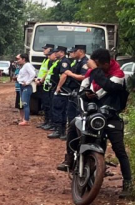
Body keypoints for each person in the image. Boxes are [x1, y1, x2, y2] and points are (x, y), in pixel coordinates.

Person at [58, 48, 131, 194]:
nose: (94, 67)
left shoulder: (118, 74)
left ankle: (128, 183)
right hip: (91, 114)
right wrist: (86, 95)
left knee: (119, 149)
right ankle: (69, 159)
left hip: (110, 116)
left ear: (106, 63)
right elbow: (82, 89)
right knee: (73, 126)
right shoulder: (91, 74)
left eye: (98, 65)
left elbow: (109, 86)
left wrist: (95, 70)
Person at [56, 45, 89, 138]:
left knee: (77, 113)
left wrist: (71, 74)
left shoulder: (85, 62)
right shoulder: (77, 62)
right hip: (73, 91)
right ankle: (71, 133)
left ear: (80, 51)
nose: (72, 53)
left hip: (80, 90)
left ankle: (77, 135)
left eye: (74, 51)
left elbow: (83, 77)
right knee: (71, 113)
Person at [46, 46, 70, 139]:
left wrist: (59, 87)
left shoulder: (64, 62)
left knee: (58, 109)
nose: (55, 53)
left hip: (61, 89)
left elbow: (64, 75)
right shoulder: (60, 61)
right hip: (58, 87)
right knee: (58, 109)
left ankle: (59, 130)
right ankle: (60, 130)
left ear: (62, 52)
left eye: (57, 52)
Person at [34, 43, 56, 130]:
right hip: (42, 84)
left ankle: (50, 122)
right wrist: (37, 79)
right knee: (44, 104)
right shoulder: (45, 60)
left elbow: (48, 72)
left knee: (48, 104)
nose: (44, 50)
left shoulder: (50, 61)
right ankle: (46, 121)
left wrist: (41, 80)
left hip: (47, 84)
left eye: (45, 49)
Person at [14, 52, 36, 126]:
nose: (18, 60)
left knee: (25, 103)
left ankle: (26, 120)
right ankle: (24, 119)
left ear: (24, 59)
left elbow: (33, 74)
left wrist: (27, 82)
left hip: (26, 86)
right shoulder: (24, 66)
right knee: (23, 103)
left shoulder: (27, 65)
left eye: (19, 59)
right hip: (22, 86)